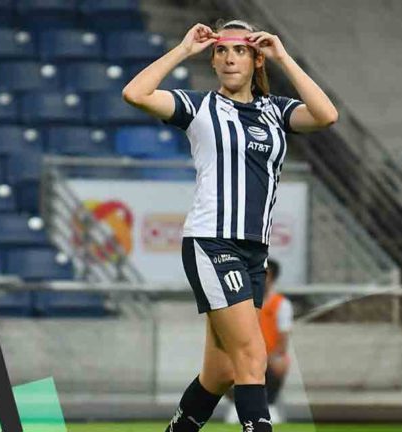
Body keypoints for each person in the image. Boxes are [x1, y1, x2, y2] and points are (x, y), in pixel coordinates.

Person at [122, 18, 337, 432]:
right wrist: (184, 49)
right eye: (221, 50)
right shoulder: (200, 107)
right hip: (212, 242)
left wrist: (282, 56)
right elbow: (135, 93)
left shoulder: (275, 110)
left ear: (256, 59)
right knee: (252, 356)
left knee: (219, 372)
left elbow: (326, 115)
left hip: (255, 251)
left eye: (240, 50)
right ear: (213, 59)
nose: (229, 58)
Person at [225, 259, 293, 424]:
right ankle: (237, 404)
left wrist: (266, 356)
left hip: (268, 356)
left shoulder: (281, 304)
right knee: (221, 366)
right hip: (243, 355)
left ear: (272, 278)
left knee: (280, 363)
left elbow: (283, 341)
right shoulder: (241, 301)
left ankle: (269, 404)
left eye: (265, 275)